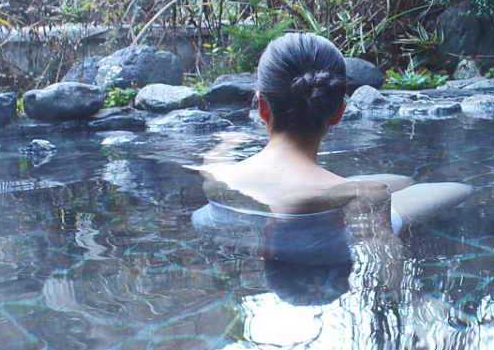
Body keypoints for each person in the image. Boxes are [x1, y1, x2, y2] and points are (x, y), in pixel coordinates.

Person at [192, 33, 471, 300]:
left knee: (401, 180)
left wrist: (229, 140)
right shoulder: (365, 194)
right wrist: (419, 302)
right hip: (335, 227)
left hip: (307, 197)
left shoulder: (217, 175)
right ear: (339, 111)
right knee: (460, 188)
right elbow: (383, 249)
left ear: (262, 106)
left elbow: (213, 159)